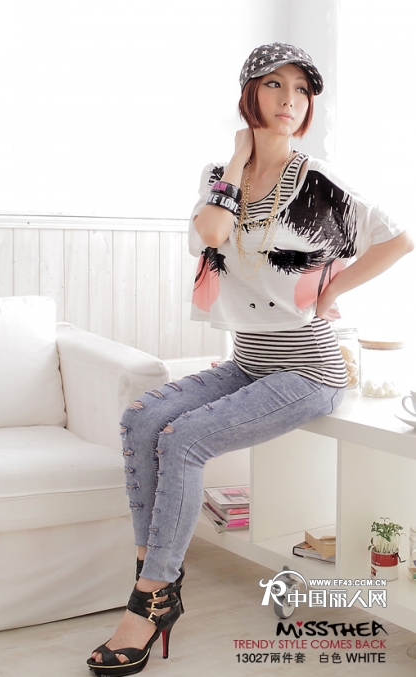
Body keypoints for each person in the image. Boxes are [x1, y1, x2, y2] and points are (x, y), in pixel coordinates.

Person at [86, 42, 413, 676]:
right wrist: (238, 158)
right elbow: (211, 234)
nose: (290, 100)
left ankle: (147, 602)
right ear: (249, 95)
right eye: (274, 86)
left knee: (182, 439)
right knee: (140, 419)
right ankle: (156, 579)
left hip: (309, 370)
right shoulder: (222, 173)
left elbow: (399, 239)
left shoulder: (321, 181)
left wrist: (333, 291)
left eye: (302, 90)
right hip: (249, 362)